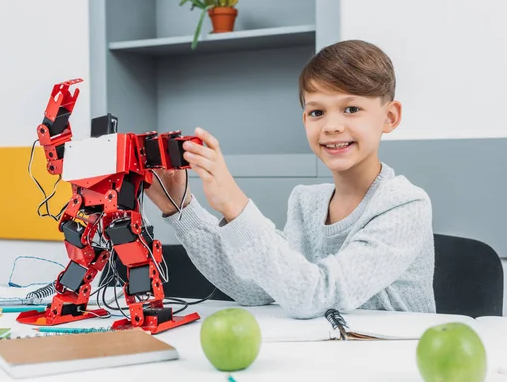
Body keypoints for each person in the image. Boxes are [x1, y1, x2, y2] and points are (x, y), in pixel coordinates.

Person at [145, 40, 436, 319]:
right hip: (330, 355)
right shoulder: (306, 203)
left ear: (390, 117)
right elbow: (253, 287)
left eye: (351, 109)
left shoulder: (405, 205)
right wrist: (181, 208)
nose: (332, 126)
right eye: (317, 112)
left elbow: (315, 294)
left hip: (397, 359)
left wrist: (234, 203)